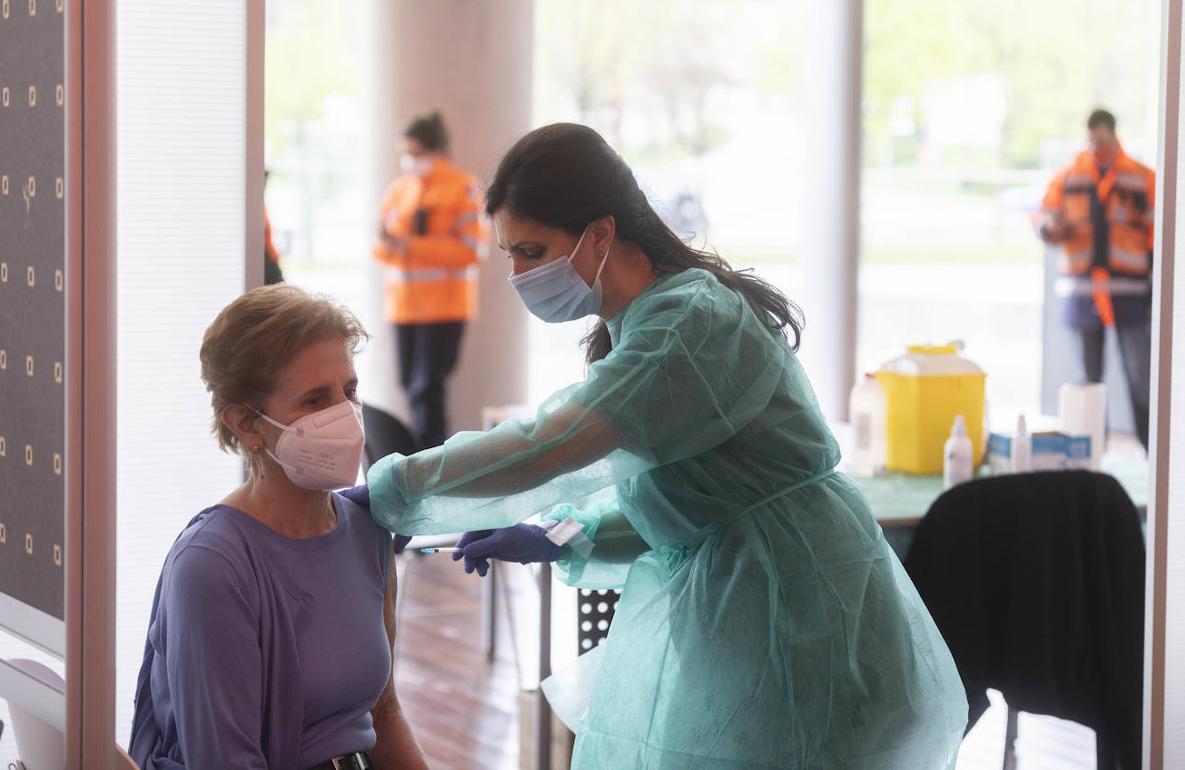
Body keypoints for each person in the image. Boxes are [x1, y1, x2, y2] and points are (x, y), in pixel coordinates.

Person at [365, 124, 968, 769]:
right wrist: (572, 534)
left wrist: (398, 486)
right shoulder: (645, 323)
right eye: (511, 254)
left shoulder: (688, 322)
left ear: (600, 233)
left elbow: (552, 445)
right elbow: (701, 506)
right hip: (759, 621)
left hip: (810, 631)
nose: (519, 276)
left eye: (533, 251)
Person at [128, 285, 428, 770]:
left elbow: (383, 711)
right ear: (246, 424)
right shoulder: (212, 567)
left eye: (349, 391)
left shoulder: (368, 531)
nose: (345, 415)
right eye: (314, 400)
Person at [1034, 109, 1155, 449]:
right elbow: (1044, 217)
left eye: (1102, 141)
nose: (1096, 148)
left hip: (1128, 294)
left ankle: (1152, 456)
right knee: (1087, 383)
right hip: (1083, 294)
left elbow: (1156, 233)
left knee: (1142, 377)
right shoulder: (1068, 177)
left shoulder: (1141, 178)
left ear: (1114, 137)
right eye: (1091, 142)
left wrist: (1154, 290)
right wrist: (1049, 228)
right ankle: (1092, 457)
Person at [372, 111, 485, 449]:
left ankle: (430, 463)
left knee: (428, 391)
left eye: (416, 152)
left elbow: (469, 251)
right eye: (405, 152)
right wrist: (393, 245)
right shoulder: (398, 191)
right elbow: (379, 250)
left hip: (443, 307)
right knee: (410, 386)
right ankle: (420, 461)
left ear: (436, 150)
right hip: (403, 307)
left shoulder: (461, 187)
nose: (410, 160)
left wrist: (410, 245)